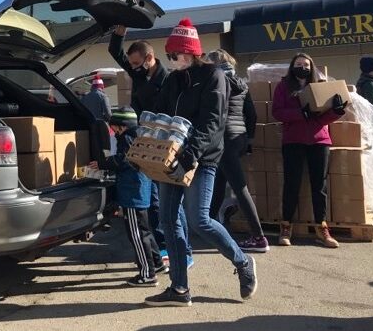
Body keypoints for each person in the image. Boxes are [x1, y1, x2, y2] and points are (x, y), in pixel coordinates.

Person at [145, 18, 257, 307]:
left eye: (175, 55)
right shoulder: (173, 79)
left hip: (202, 158)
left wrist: (190, 154)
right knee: (169, 220)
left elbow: (212, 123)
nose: (171, 60)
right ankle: (179, 289)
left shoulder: (213, 77)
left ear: (191, 52)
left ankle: (243, 262)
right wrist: (145, 145)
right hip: (172, 158)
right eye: (168, 56)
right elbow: (160, 113)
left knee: (200, 220)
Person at [109, 25, 193, 268]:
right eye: (132, 64)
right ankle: (161, 248)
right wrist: (120, 31)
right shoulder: (138, 73)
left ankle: (184, 251)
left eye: (137, 63)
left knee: (170, 200)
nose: (132, 67)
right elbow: (116, 51)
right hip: (144, 141)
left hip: (165, 143)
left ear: (149, 58)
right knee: (154, 200)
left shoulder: (169, 79)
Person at [272, 53, 348, 248]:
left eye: (306, 64)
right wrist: (301, 114)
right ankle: (286, 226)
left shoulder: (321, 86)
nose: (302, 67)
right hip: (293, 140)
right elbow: (277, 112)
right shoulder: (283, 86)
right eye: (298, 64)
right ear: (292, 66)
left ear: (311, 67)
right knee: (292, 183)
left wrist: (336, 111)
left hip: (319, 140)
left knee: (319, 186)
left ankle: (322, 228)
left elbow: (322, 118)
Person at [89, 107, 168, 286]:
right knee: (145, 231)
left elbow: (124, 160)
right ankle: (156, 263)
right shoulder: (138, 135)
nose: (114, 132)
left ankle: (147, 274)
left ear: (120, 126)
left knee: (136, 235)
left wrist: (102, 163)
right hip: (142, 190)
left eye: (114, 128)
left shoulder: (126, 138)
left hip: (132, 194)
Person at [206, 49, 269, 253]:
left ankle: (259, 237)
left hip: (224, 138)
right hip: (239, 138)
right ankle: (209, 225)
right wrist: (248, 140)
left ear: (214, 64)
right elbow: (251, 114)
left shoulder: (216, 81)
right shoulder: (241, 83)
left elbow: (213, 112)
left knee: (240, 188)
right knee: (218, 182)